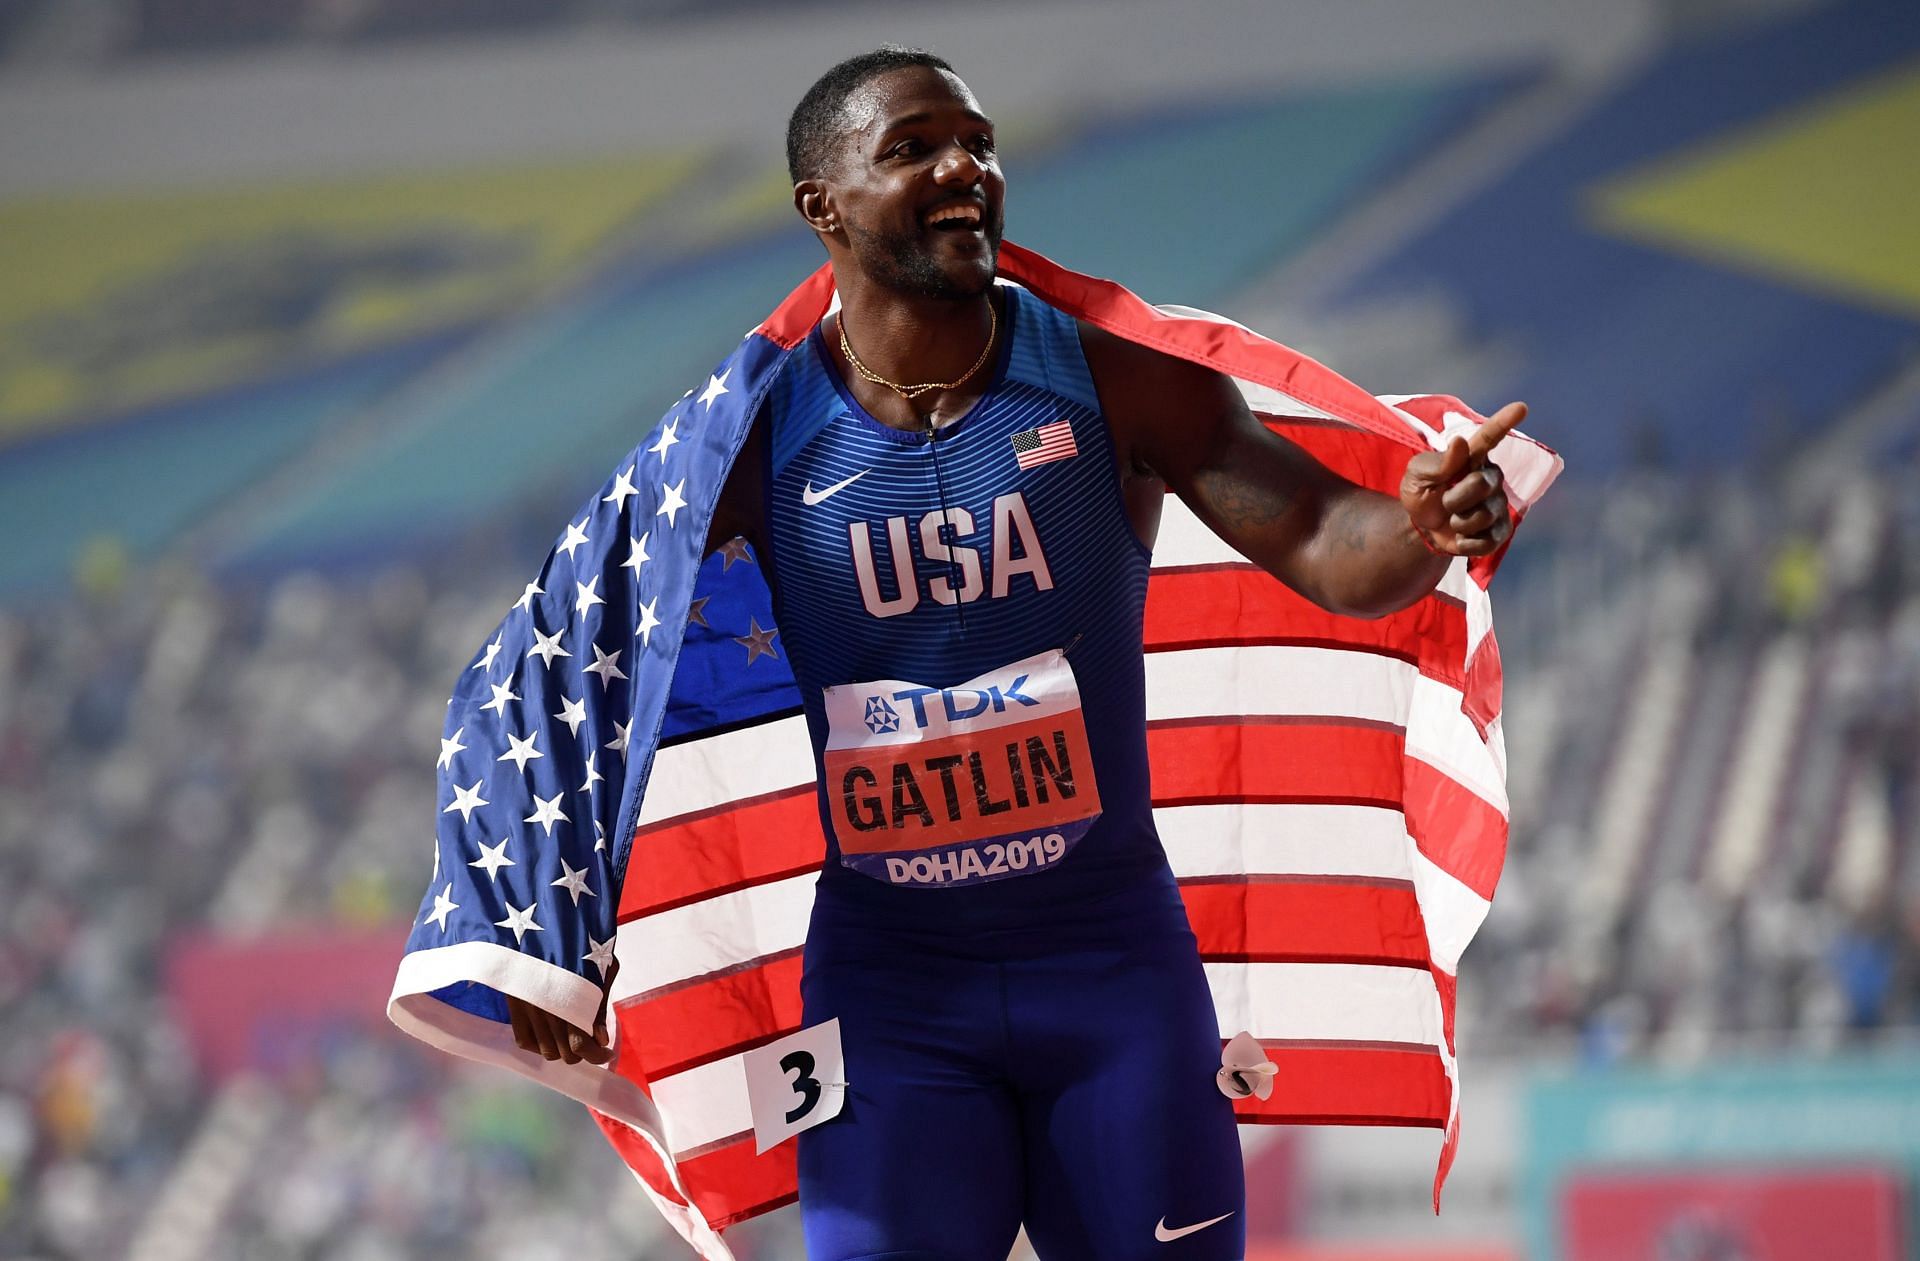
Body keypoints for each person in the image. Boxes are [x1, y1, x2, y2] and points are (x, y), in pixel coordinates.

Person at [498, 46, 1521, 1261]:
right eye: (913, 149)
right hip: (889, 991)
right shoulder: (745, 436)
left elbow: (1316, 533)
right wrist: (549, 931)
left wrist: (1418, 525)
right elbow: (579, 663)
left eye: (978, 145)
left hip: (1112, 971)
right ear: (820, 206)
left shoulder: (1113, 377)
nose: (963, 170)